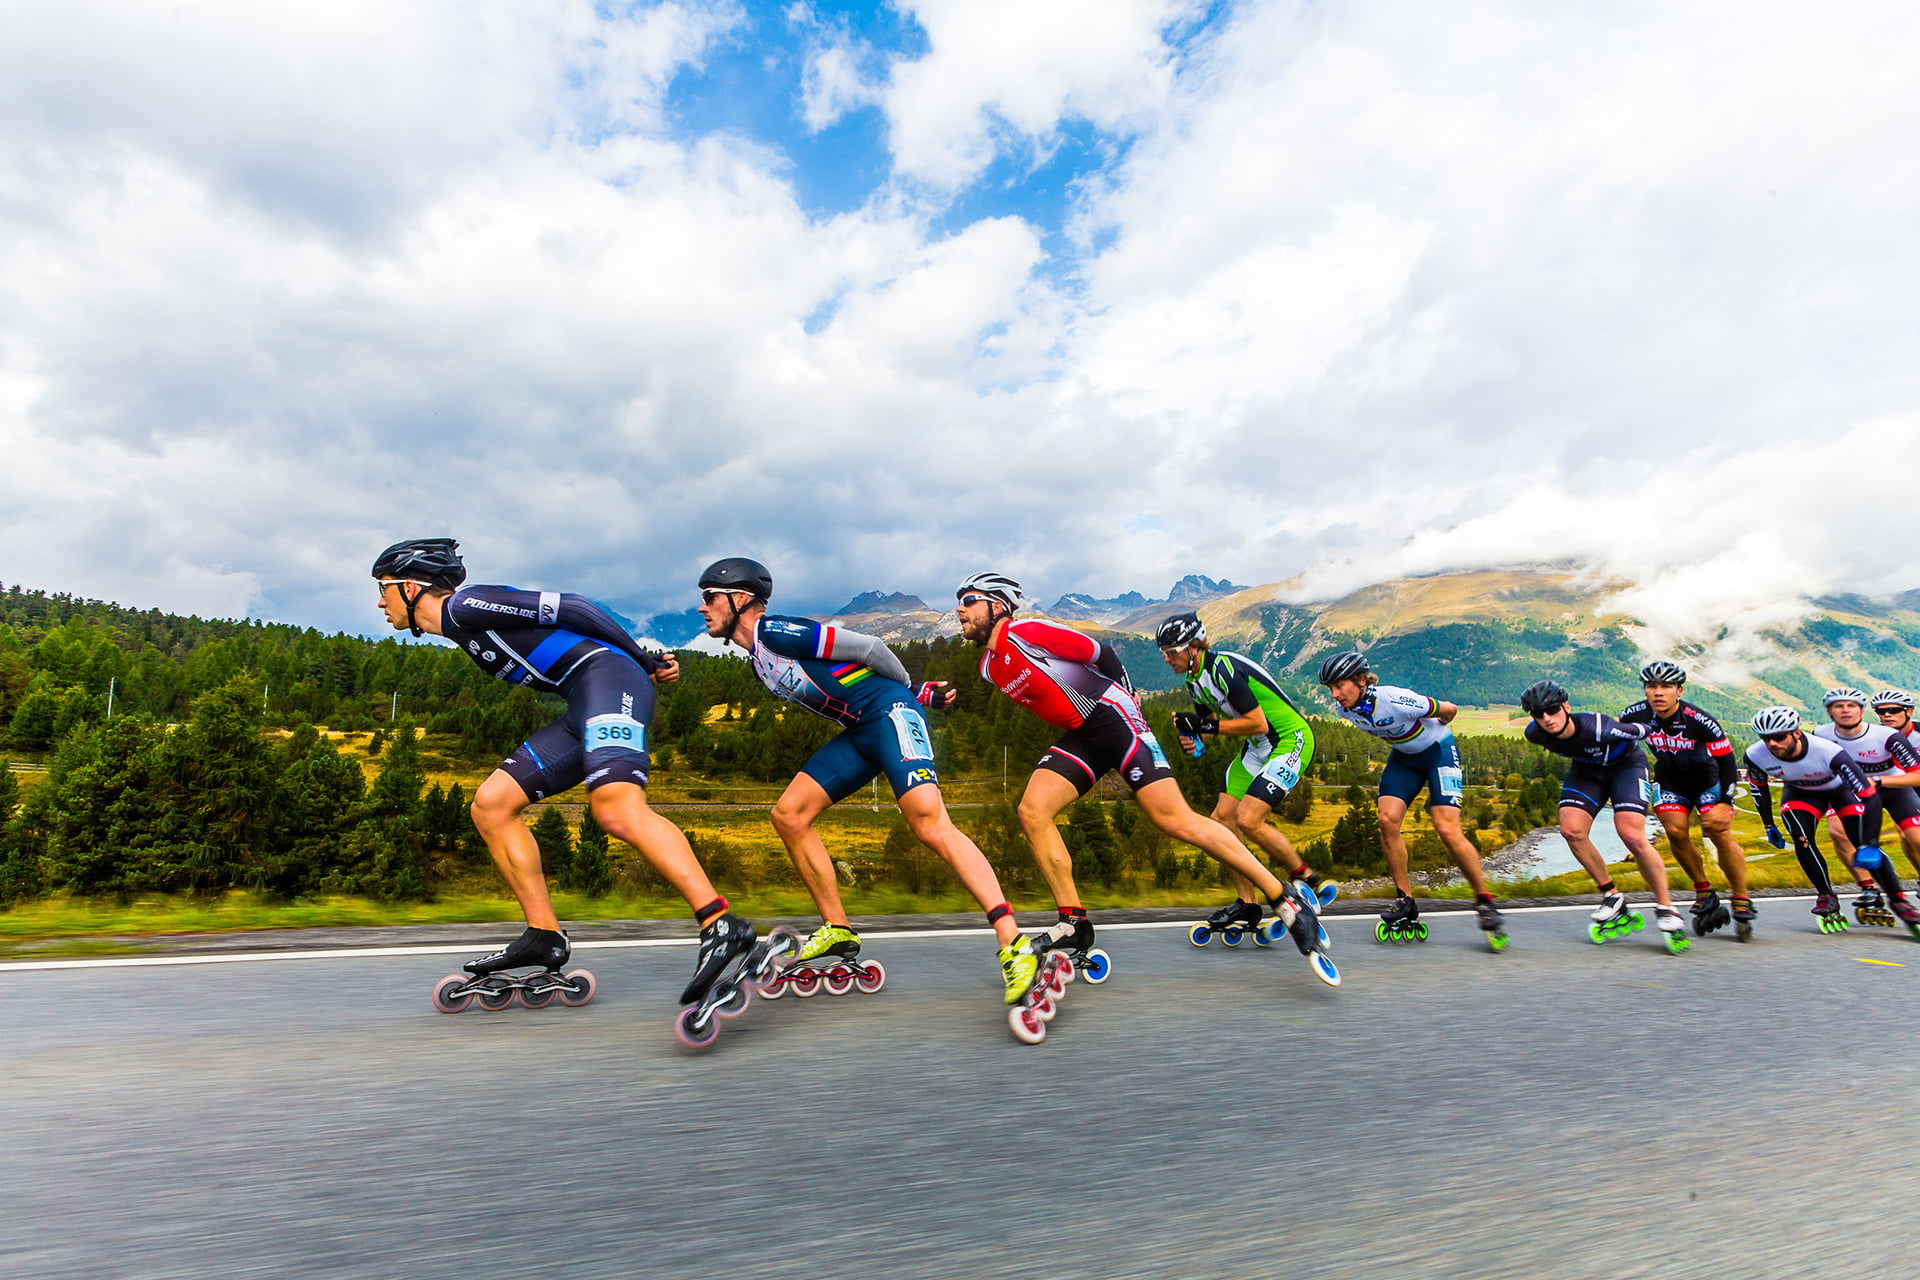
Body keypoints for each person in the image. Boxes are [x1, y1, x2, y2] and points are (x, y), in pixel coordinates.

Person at [372, 538, 751, 1007]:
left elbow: (572, 607)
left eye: (383, 589)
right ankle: (543, 934)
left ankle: (720, 924)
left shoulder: (464, 606)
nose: (379, 601)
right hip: (584, 704)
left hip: (612, 683)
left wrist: (642, 659)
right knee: (491, 806)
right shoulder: (457, 628)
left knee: (616, 810)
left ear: (410, 587)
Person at [954, 573, 1336, 985]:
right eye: (959, 600)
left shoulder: (1025, 631)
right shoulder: (989, 667)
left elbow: (1100, 652)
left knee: (1176, 820)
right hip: (1083, 734)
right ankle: (1073, 921)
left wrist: (1130, 694)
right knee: (1032, 810)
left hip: (1115, 717)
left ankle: (1285, 899)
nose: (960, 608)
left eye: (970, 600)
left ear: (998, 606)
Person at [695, 557, 1038, 1004]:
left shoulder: (774, 633)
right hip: (859, 730)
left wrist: (911, 692)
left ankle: (1013, 942)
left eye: (709, 598)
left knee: (930, 824)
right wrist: (920, 692)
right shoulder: (758, 661)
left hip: (889, 715)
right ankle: (837, 928)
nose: (702, 608)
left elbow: (871, 649)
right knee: (789, 815)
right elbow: (847, 677)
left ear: (739, 600)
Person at [1157, 611, 1336, 941]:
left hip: (1288, 738)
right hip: (1256, 748)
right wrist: (1194, 740)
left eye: (1171, 652)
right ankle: (1247, 902)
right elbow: (1208, 729)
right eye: (1164, 654)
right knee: (1222, 820)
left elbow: (1258, 723)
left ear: (1193, 647)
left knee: (1250, 819)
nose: (1167, 659)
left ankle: (1306, 877)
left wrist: (1203, 726)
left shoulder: (1222, 668)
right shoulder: (1194, 682)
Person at [1317, 651, 1505, 947]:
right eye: (1330, 689)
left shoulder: (1395, 699)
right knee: (1386, 820)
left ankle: (1484, 900)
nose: (1334, 695)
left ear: (1361, 680)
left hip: (1438, 753)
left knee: (1446, 829)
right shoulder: (1346, 711)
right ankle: (1405, 899)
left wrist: (1439, 727)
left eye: (1339, 686)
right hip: (1404, 759)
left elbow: (1450, 709)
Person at [1518, 679, 1689, 951]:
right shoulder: (1534, 733)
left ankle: (1667, 907)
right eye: (1539, 714)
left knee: (1631, 835)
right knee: (1571, 831)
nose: (1547, 719)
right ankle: (1612, 897)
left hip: (1626, 768)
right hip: (1586, 772)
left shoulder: (1599, 727)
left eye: (1552, 710)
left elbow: (1645, 730)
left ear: (1566, 706)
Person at [1744, 705, 1920, 937]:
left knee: (1859, 842)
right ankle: (1826, 895)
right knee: (1802, 838)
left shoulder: (1829, 752)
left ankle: (1899, 902)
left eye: (1779, 737)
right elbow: (1759, 791)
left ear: (1796, 733)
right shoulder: (1755, 755)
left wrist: (1871, 842)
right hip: (1801, 793)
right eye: (1766, 739)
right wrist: (1768, 824)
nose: (1772, 744)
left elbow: (1870, 797)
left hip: (1840, 791)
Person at [1619, 660, 1753, 939]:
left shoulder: (1700, 720)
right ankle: (1704, 890)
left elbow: (1727, 762)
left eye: (1666, 686)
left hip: (1708, 777)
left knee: (1718, 833)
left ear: (1679, 690)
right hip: (1670, 777)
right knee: (1675, 831)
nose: (1658, 692)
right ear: (1645, 690)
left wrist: (1726, 804)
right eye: (1652, 686)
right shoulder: (1633, 714)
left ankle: (1741, 897)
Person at [1813, 687, 1920, 915]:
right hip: (1852, 790)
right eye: (1881, 711)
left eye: (1892, 710)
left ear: (1909, 711)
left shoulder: (1892, 737)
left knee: (1913, 836)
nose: (1887, 715)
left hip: (1894, 786)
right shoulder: (1822, 734)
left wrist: (1878, 781)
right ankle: (1868, 888)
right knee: (1838, 832)